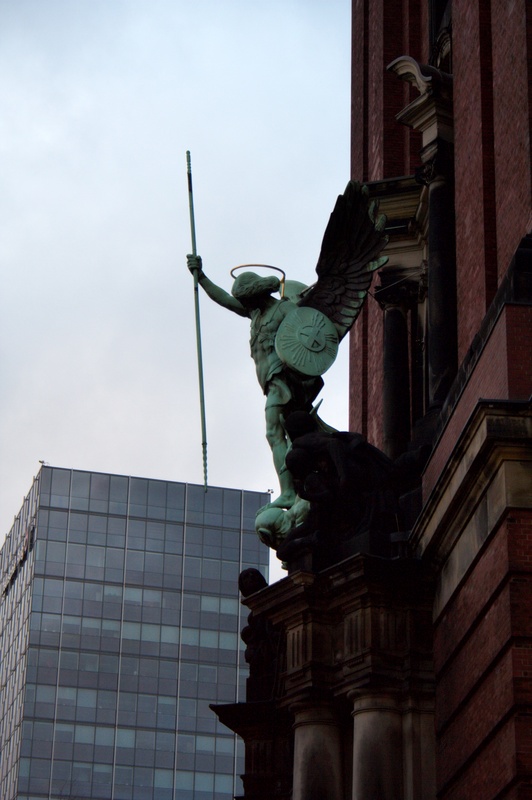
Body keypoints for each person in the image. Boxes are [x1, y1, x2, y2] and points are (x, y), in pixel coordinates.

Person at [187, 256, 323, 509]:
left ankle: (288, 491)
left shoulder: (284, 310)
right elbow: (224, 299)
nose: (243, 304)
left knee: (274, 432)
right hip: (271, 383)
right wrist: (201, 276)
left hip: (284, 381)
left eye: (246, 299)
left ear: (256, 294)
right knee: (288, 434)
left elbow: (311, 336)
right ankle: (298, 485)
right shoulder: (256, 313)